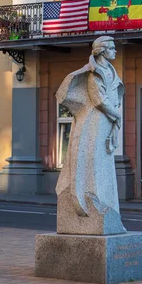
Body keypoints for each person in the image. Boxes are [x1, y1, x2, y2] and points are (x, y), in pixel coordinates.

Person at [56, 35, 126, 235]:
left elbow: (112, 99)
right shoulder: (93, 74)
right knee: (93, 162)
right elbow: (99, 101)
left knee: (105, 163)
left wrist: (115, 119)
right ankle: (90, 199)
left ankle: (108, 211)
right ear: (102, 51)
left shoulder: (111, 71)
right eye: (112, 48)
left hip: (107, 120)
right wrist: (117, 117)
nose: (115, 51)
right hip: (94, 122)